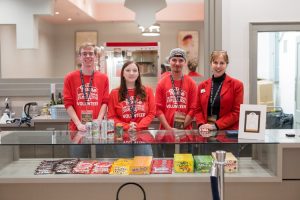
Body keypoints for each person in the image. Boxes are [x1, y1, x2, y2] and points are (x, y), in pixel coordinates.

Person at [63, 43, 109, 157]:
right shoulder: (70, 77)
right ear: (79, 56)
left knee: (99, 164)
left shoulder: (103, 78)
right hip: (78, 128)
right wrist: (78, 124)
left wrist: (99, 120)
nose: (88, 56)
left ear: (96, 56)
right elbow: (68, 104)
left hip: (97, 129)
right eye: (84, 53)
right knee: (78, 164)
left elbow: (105, 102)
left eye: (91, 53)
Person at [108, 60, 155, 157]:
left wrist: (138, 126)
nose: (131, 73)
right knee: (125, 167)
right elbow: (112, 117)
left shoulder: (148, 91)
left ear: (138, 73)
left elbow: (151, 113)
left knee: (143, 167)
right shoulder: (114, 93)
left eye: (134, 70)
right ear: (123, 74)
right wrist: (127, 126)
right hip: (122, 135)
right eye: (128, 70)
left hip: (142, 134)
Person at [195, 50, 244, 132]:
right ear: (211, 64)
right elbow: (198, 110)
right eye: (215, 62)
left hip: (228, 134)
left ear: (226, 64)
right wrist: (201, 125)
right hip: (206, 132)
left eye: (222, 63)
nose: (218, 66)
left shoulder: (237, 85)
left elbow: (236, 112)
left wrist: (215, 126)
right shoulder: (202, 86)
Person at [156, 48, 197, 130]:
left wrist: (181, 127)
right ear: (169, 61)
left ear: (185, 62)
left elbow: (193, 109)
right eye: (174, 60)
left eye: (181, 60)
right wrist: (169, 129)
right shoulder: (161, 83)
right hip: (166, 133)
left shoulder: (191, 83)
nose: (177, 63)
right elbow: (158, 109)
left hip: (185, 133)